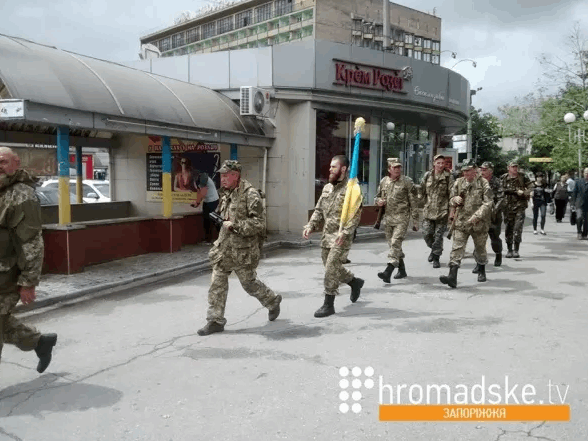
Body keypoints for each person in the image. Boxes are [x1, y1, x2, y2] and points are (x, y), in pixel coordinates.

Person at [197, 160, 281, 336]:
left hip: (243, 250)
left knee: (249, 284)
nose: (222, 178)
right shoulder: (226, 193)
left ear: (235, 175)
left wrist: (234, 225)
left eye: (226, 175)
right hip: (225, 248)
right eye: (221, 175)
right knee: (217, 282)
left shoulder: (250, 195)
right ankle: (215, 320)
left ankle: (272, 301)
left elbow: (258, 224)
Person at [0, 147, 57, 372]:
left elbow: (31, 241)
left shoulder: (22, 195)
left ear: (16, 163)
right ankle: (39, 342)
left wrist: (28, 282)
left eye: (3, 162)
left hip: (6, 274)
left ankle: (39, 342)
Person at [303, 155, 364, 318]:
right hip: (327, 235)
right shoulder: (327, 188)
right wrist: (310, 225)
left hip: (341, 237)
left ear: (343, 169)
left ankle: (328, 304)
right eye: (330, 167)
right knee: (331, 266)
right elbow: (318, 210)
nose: (330, 170)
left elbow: (355, 216)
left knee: (331, 267)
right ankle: (354, 282)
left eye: (333, 167)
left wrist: (345, 233)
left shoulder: (352, 190)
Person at [440, 159, 492, 288]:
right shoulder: (459, 182)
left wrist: (477, 216)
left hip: (478, 223)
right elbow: (451, 199)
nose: (466, 173)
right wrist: (454, 199)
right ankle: (452, 276)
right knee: (457, 248)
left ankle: (481, 269)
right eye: (464, 171)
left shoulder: (483, 183)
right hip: (461, 222)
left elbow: (488, 203)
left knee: (480, 248)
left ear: (475, 170)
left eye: (468, 170)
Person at [375, 158, 419, 282]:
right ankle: (402, 270)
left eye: (399, 167)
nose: (398, 170)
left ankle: (388, 271)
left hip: (402, 218)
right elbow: (377, 197)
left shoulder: (407, 182)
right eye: (395, 168)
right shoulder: (384, 181)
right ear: (389, 169)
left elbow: (414, 203)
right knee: (394, 246)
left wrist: (415, 221)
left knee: (395, 243)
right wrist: (379, 201)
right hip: (388, 219)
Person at [419, 154, 454, 268]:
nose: (440, 165)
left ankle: (436, 258)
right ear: (434, 163)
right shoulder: (427, 175)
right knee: (427, 234)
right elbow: (422, 191)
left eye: (442, 163)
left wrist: (451, 211)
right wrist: (420, 204)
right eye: (438, 163)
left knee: (438, 236)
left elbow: (451, 194)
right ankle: (434, 250)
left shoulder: (448, 176)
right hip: (429, 210)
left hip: (442, 211)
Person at [501, 161, 533, 258]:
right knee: (508, 228)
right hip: (507, 207)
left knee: (517, 228)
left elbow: (531, 187)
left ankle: (516, 250)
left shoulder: (522, 177)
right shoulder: (504, 178)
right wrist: (514, 191)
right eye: (513, 167)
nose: (515, 168)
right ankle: (509, 250)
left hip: (520, 206)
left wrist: (524, 192)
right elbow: (500, 189)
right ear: (508, 167)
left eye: (516, 167)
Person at [478, 162, 504, 267]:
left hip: (494, 215)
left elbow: (501, 198)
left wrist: (495, 210)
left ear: (490, 171)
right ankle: (479, 263)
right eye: (481, 169)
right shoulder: (477, 181)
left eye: (485, 170)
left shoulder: (497, 182)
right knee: (479, 239)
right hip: (480, 213)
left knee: (494, 238)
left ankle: (498, 253)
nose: (482, 172)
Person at [190, 169, 220, 244]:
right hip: (207, 201)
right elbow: (198, 191)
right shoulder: (196, 180)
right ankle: (208, 240)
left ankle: (221, 239)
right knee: (206, 221)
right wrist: (197, 203)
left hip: (213, 201)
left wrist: (197, 202)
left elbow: (203, 191)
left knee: (215, 220)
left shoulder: (203, 177)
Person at [572, 167, 588, 240]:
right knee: (579, 217)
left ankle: (585, 233)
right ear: (583, 173)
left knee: (587, 220)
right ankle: (579, 232)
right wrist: (573, 203)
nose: (587, 174)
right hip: (579, 203)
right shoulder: (578, 181)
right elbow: (574, 193)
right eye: (586, 173)